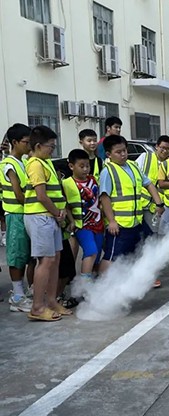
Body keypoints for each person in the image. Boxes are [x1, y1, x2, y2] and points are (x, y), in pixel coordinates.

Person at [24, 125, 72, 321]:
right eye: (50, 146)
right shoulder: (35, 164)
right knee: (45, 261)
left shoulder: (46, 162)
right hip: (40, 217)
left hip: (50, 217)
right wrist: (57, 213)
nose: (52, 149)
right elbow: (41, 196)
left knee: (55, 259)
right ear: (37, 146)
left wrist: (58, 215)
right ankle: (37, 307)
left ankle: (51, 301)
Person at [99, 135, 164, 272]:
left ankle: (127, 283)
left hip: (136, 221)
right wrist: (111, 221)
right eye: (118, 152)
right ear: (109, 154)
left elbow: (149, 184)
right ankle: (101, 288)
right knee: (112, 256)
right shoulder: (108, 171)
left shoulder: (133, 166)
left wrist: (159, 204)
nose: (123, 154)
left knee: (139, 250)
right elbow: (104, 198)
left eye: (125, 150)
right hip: (119, 224)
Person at [62, 149, 103, 296]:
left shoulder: (93, 180)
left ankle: (91, 284)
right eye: (82, 166)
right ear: (71, 166)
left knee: (96, 255)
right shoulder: (66, 183)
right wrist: (71, 221)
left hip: (98, 223)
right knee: (91, 251)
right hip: (81, 225)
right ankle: (83, 288)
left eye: (87, 166)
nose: (86, 169)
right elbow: (65, 205)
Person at [2, 123, 33, 312]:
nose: (29, 146)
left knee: (28, 255)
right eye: (26, 142)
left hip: (27, 213)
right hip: (15, 215)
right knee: (17, 255)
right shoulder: (8, 164)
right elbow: (18, 194)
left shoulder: (25, 162)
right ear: (15, 142)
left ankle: (25, 292)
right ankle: (17, 295)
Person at [135, 135, 169, 288]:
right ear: (156, 146)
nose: (164, 150)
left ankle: (150, 275)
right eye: (162, 147)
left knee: (151, 241)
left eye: (166, 148)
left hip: (155, 208)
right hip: (138, 206)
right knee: (138, 240)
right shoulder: (145, 157)